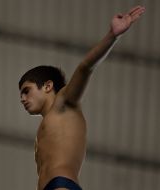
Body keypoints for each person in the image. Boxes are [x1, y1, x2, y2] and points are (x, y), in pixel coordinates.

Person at [19, 5, 145, 190]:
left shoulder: (63, 103)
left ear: (47, 86)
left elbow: (85, 68)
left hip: (62, 185)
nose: (22, 98)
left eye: (26, 91)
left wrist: (113, 35)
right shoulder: (47, 125)